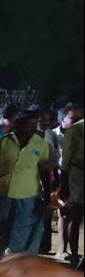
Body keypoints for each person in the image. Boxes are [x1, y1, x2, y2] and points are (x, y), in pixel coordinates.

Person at [0, 111, 52, 256]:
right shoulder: (4, 142)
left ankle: (13, 261)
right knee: (0, 228)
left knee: (22, 229)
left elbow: (44, 171)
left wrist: (47, 195)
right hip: (3, 193)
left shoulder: (41, 144)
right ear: (19, 125)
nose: (34, 128)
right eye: (30, 125)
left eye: (35, 125)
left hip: (27, 194)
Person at [47, 105, 82, 261]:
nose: (77, 121)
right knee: (65, 213)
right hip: (63, 175)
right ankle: (63, 249)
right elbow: (56, 159)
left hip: (73, 175)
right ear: (62, 119)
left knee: (74, 215)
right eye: (73, 118)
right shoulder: (54, 135)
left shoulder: (78, 132)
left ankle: (70, 251)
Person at [60, 118, 84, 264]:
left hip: (77, 174)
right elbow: (66, 159)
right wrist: (64, 184)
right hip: (78, 174)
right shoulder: (76, 129)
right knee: (75, 215)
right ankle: (74, 254)